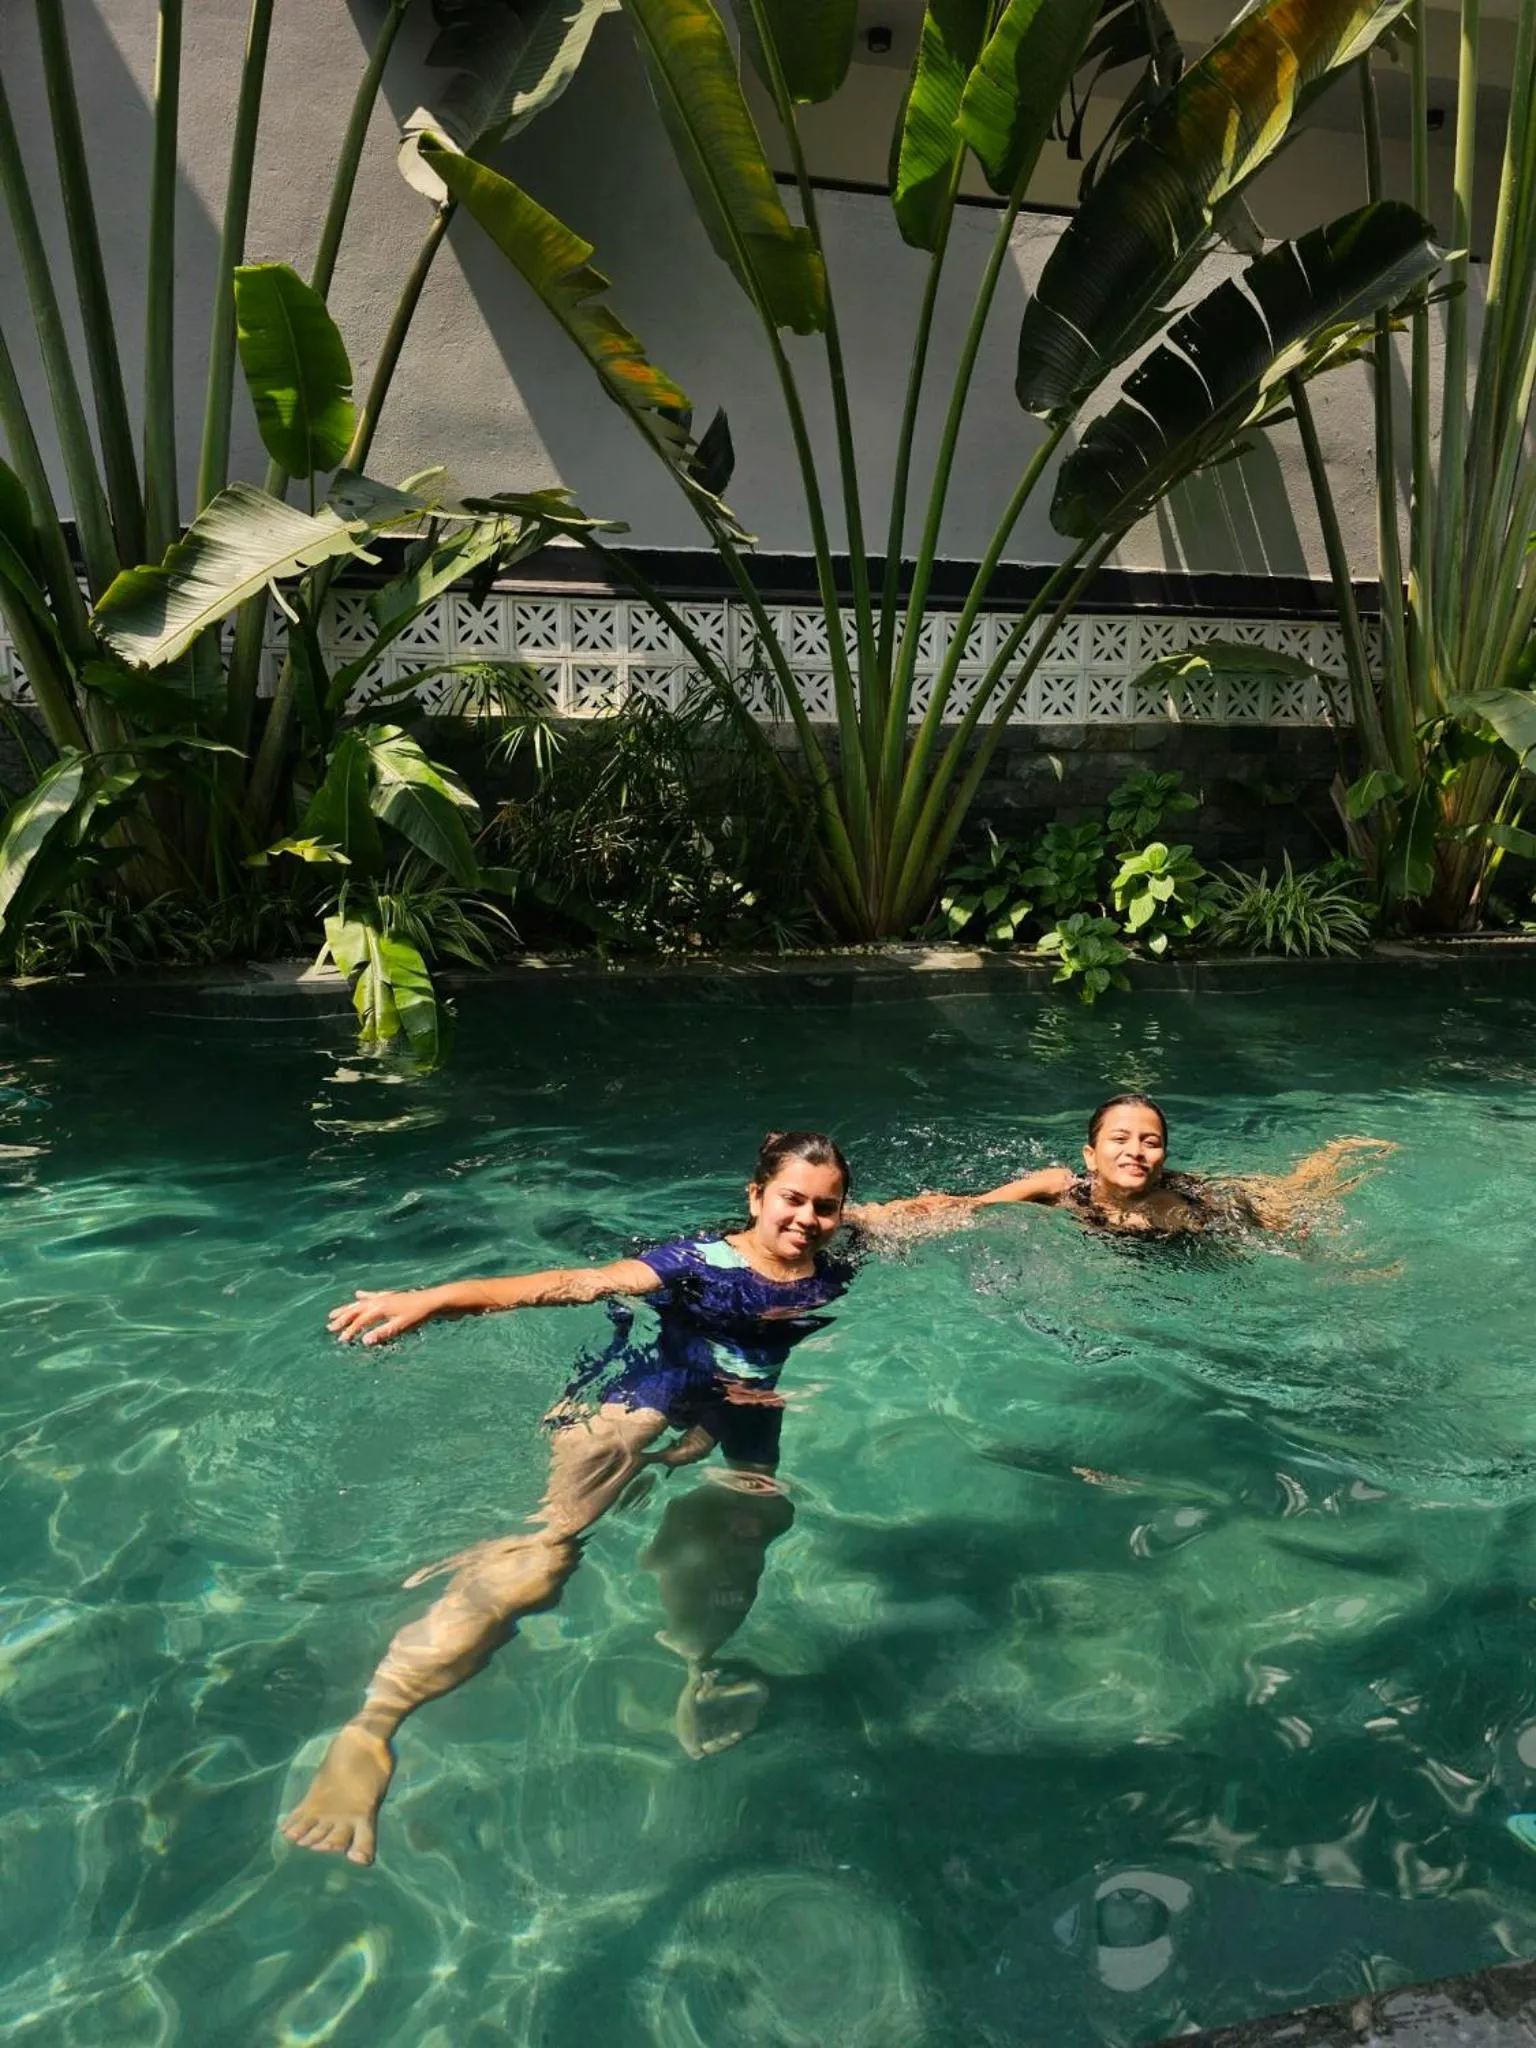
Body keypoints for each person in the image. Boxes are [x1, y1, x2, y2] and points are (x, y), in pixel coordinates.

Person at [281, 1130, 856, 1867]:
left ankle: (695, 1663)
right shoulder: (695, 1262)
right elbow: (572, 1283)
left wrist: (1037, 1192)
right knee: (541, 1557)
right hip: (645, 1404)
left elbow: (938, 1208)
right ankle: (372, 1729)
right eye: (792, 1199)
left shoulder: (839, 1254)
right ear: (755, 1196)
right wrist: (436, 1298)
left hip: (741, 1410)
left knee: (753, 1525)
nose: (807, 1219)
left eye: (825, 1207)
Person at [854, 1093, 1393, 1238]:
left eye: (1151, 1141)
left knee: (1300, 1194)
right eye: (1121, 1138)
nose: (1136, 1150)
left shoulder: (1182, 1207)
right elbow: (965, 1206)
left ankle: (1339, 1156)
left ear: (1163, 1157)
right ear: (1091, 1154)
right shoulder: (1058, 1186)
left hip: (1217, 1209)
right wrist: (870, 1214)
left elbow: (1264, 1234)